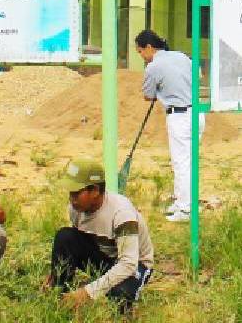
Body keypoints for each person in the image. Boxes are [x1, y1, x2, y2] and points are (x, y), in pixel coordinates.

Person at [46, 156, 154, 313]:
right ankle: (60, 296)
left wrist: (87, 292)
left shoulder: (122, 214)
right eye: (70, 192)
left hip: (135, 264)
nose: (72, 198)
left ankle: (127, 310)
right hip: (105, 256)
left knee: (120, 295)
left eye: (76, 193)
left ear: (95, 190)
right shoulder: (76, 209)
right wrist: (56, 272)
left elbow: (128, 264)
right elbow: (74, 242)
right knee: (65, 236)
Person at [136, 29, 204, 223]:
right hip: (197, 113)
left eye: (140, 51)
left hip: (179, 115)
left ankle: (184, 210)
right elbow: (198, 75)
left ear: (149, 47)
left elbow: (148, 95)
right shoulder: (181, 56)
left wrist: (163, 88)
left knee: (181, 162)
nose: (141, 56)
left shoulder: (153, 67)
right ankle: (183, 201)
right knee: (189, 161)